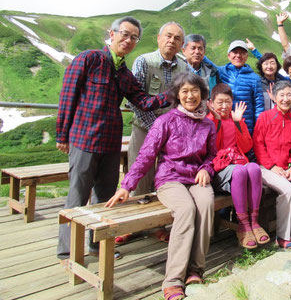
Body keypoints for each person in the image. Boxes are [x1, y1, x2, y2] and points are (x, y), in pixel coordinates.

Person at [56, 16, 169, 262]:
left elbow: (143, 102)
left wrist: (170, 96)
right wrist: (62, 134)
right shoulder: (89, 58)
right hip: (83, 140)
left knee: (105, 198)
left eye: (134, 37)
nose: (128, 40)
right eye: (125, 34)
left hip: (110, 143)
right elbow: (68, 94)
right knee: (77, 196)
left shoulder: (125, 74)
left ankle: (97, 247)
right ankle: (67, 251)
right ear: (112, 33)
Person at [105, 72, 216, 300]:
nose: (190, 95)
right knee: (186, 210)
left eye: (194, 91)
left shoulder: (207, 124)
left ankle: (195, 270)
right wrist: (127, 185)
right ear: (176, 95)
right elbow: (146, 155)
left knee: (206, 203)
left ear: (203, 94)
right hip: (170, 178)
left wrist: (207, 168)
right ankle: (173, 279)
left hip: (196, 177)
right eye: (184, 91)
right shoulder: (165, 121)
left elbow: (212, 155)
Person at [117, 22, 188, 245]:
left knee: (165, 179)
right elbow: (133, 99)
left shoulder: (184, 68)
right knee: (140, 178)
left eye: (177, 38)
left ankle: (158, 225)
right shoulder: (144, 61)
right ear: (158, 38)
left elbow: (184, 100)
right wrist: (157, 128)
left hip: (172, 134)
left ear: (181, 44)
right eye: (168, 36)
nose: (171, 41)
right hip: (144, 128)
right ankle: (132, 225)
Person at [206, 83, 270, 249]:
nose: (224, 106)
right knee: (241, 170)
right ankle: (243, 224)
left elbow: (247, 146)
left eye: (228, 102)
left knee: (254, 168)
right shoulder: (209, 121)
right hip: (220, 170)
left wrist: (238, 123)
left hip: (238, 165)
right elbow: (212, 147)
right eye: (220, 102)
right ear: (211, 103)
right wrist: (218, 122)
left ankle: (253, 222)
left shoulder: (236, 120)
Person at [253, 80, 291, 249]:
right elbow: (258, 144)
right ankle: (283, 236)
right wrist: (271, 167)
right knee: (289, 192)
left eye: (289, 95)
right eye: (282, 95)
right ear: (274, 97)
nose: (285, 99)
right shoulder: (264, 117)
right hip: (267, 168)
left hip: (289, 167)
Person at [215, 40, 264, 134]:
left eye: (242, 53)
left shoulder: (254, 78)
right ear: (228, 56)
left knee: (245, 148)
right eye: (235, 52)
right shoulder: (220, 72)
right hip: (223, 124)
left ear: (247, 56)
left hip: (246, 126)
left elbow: (259, 106)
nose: (238, 55)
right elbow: (204, 62)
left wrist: (258, 130)